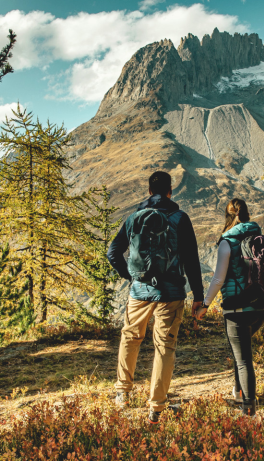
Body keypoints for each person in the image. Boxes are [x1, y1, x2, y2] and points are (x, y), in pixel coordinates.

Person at [107, 171, 205, 423]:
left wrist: (131, 277)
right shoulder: (181, 218)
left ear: (149, 191)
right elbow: (192, 261)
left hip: (139, 292)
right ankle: (157, 407)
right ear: (170, 191)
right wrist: (198, 296)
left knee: (130, 337)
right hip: (171, 294)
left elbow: (113, 252)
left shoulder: (134, 218)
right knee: (164, 346)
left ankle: (122, 393)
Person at [193, 198, 264, 416]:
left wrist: (206, 304)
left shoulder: (227, 241)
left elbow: (218, 278)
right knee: (241, 351)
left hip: (237, 308)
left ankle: (249, 409)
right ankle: (238, 392)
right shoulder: (258, 236)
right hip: (260, 306)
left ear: (228, 217)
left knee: (243, 358)